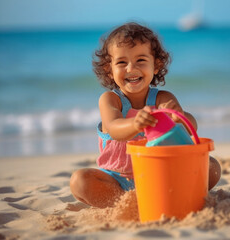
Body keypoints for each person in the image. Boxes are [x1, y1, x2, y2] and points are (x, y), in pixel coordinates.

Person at [70, 22, 221, 208]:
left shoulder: (162, 98)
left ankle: (156, 200)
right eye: (121, 62)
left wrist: (178, 117)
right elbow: (114, 128)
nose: (131, 68)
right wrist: (135, 124)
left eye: (140, 60)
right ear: (109, 70)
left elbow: (190, 128)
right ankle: (131, 205)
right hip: (118, 181)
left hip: (161, 177)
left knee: (212, 167)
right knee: (80, 180)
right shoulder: (110, 100)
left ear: (156, 65)